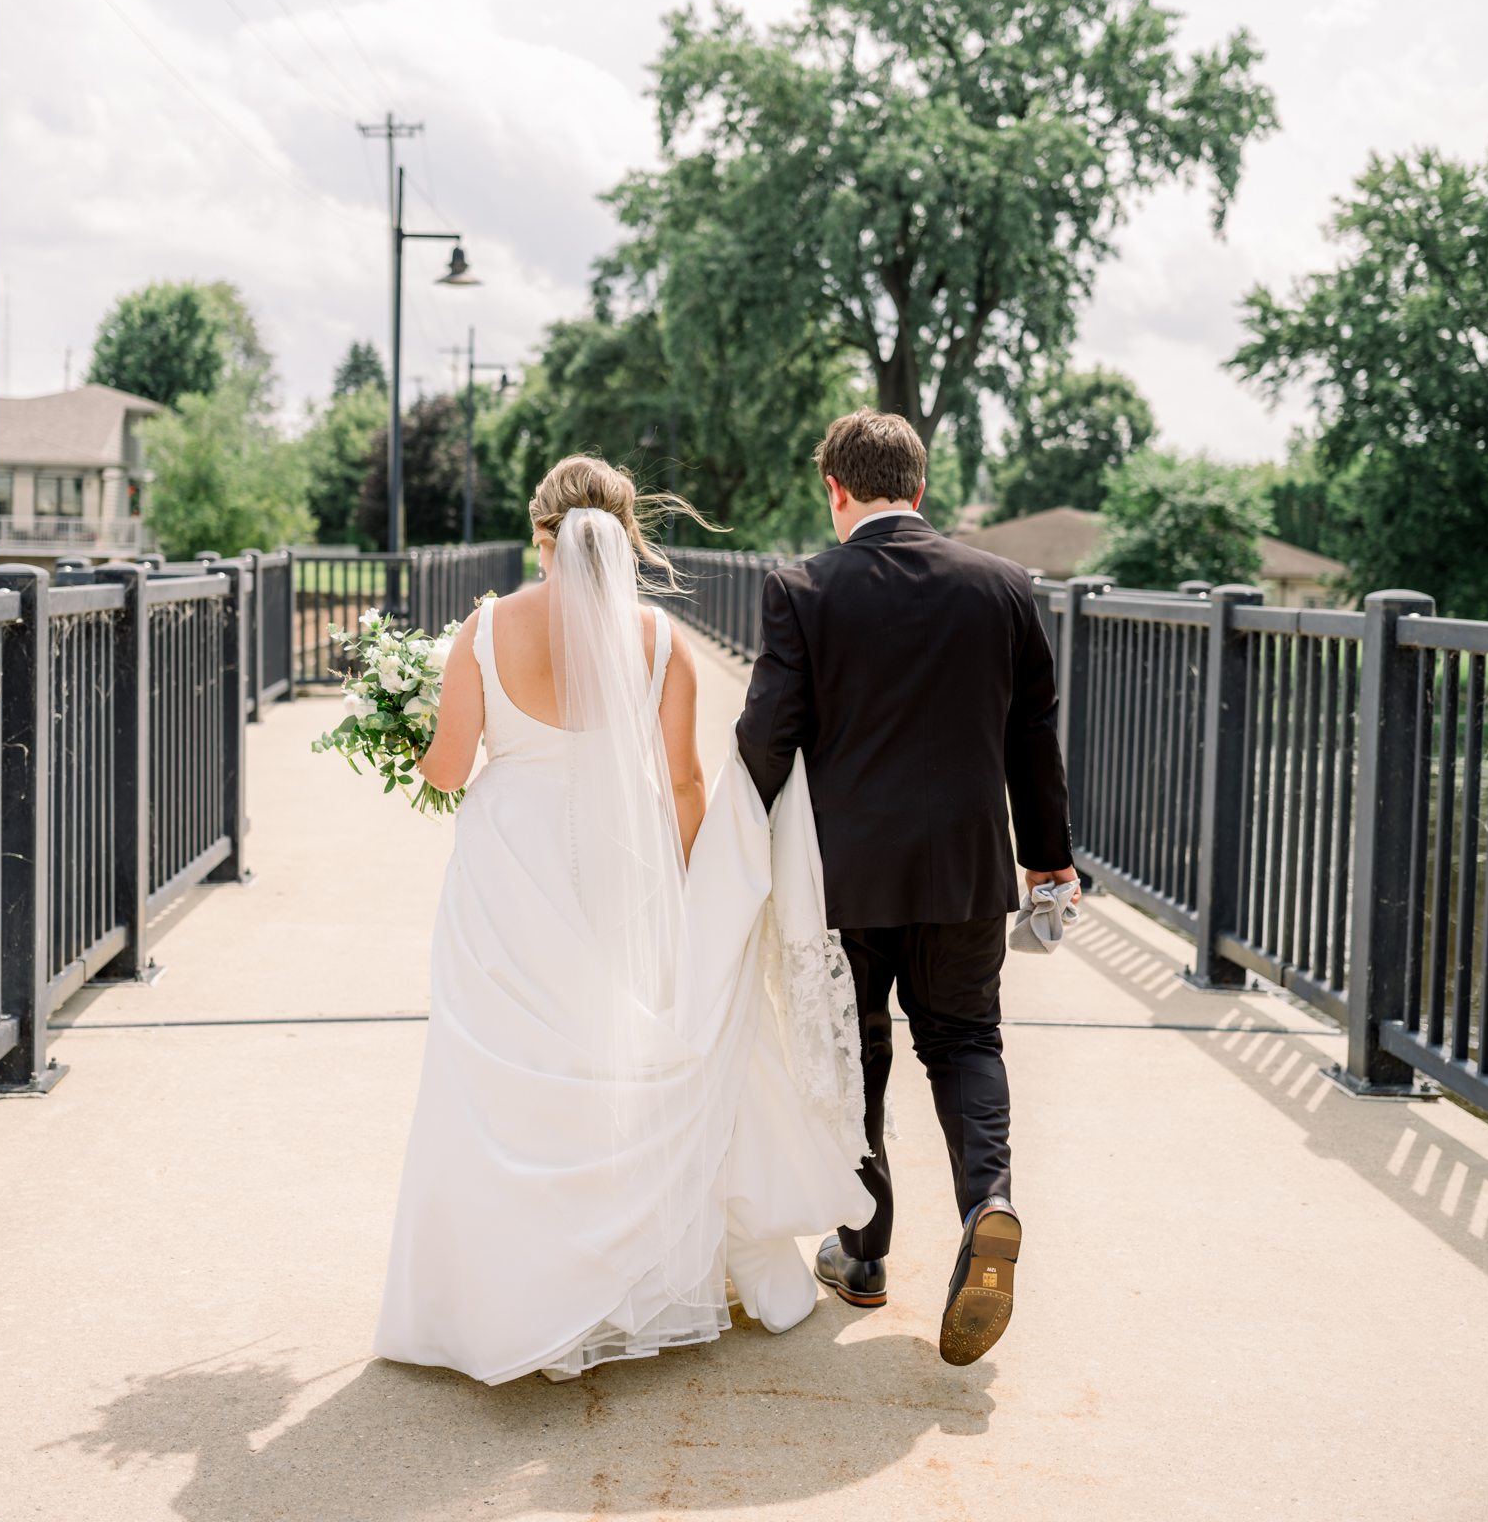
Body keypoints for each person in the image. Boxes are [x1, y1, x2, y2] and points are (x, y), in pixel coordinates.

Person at [373, 456, 872, 1385]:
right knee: (619, 1059)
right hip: (625, 864)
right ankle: (624, 1273)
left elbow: (446, 772)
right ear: (627, 533)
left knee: (500, 1070)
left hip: (507, 870)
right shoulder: (660, 639)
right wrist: (694, 893)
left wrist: (409, 724)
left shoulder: (483, 629)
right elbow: (684, 782)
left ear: (540, 534)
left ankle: (508, 1293)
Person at [736, 409, 1079, 1366]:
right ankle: (990, 1202)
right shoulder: (1004, 587)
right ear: (919, 489)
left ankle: (864, 1251)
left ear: (833, 491)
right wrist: (1047, 857)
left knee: (864, 1061)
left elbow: (769, 735)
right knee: (965, 1040)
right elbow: (1031, 739)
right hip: (968, 871)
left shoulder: (801, 589)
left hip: (847, 879)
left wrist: (731, 843)